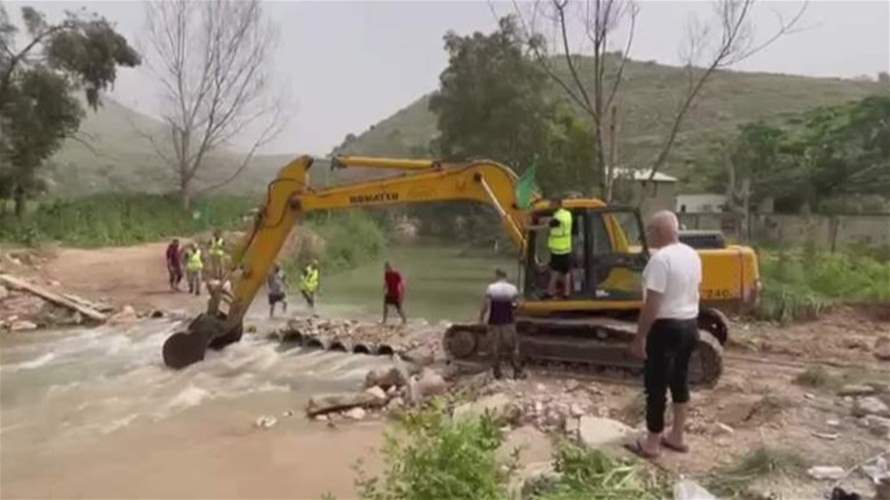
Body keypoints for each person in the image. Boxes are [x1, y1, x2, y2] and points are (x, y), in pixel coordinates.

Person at [628, 210, 702, 459]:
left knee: (656, 385)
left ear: (659, 231)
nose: (648, 236)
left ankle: (651, 444)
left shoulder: (660, 260)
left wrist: (640, 338)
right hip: (690, 324)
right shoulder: (692, 255)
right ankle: (677, 436)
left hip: (666, 328)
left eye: (650, 231)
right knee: (680, 381)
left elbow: (653, 304)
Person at [479, 268, 524, 380]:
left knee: (495, 348)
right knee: (513, 347)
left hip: (494, 322)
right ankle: (517, 372)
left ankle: (497, 373)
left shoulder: (491, 288)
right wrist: (515, 315)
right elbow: (517, 306)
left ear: (497, 276)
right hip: (508, 322)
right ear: (506, 276)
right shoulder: (512, 289)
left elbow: (485, 305)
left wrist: (481, 318)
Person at [542, 199, 573, 298]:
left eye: (551, 204)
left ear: (558, 205)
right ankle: (567, 293)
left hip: (558, 249)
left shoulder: (558, 217)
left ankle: (549, 292)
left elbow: (546, 226)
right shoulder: (567, 214)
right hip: (566, 247)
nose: (550, 206)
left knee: (555, 271)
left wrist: (528, 228)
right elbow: (552, 222)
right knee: (566, 271)